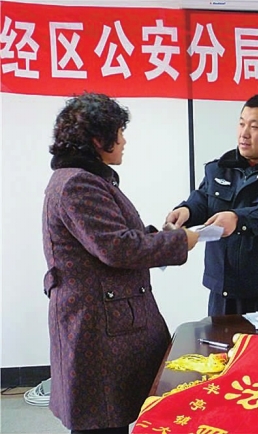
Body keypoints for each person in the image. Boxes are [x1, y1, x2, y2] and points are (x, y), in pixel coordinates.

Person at [42, 93, 199, 434]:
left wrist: (159, 236)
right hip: (97, 327)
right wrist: (181, 241)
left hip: (107, 320)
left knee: (111, 419)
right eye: (119, 132)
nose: (124, 140)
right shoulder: (78, 183)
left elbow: (114, 237)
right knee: (101, 423)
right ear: (98, 140)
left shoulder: (84, 178)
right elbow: (117, 248)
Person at [165, 93, 258, 316]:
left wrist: (238, 219)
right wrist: (186, 210)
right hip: (223, 293)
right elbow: (202, 199)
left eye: (254, 127)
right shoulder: (218, 169)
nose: (244, 133)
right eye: (241, 124)